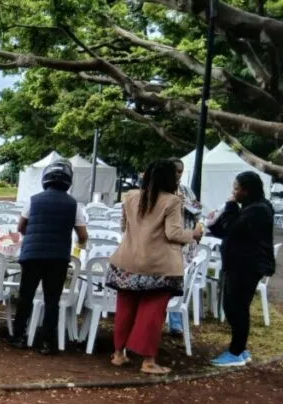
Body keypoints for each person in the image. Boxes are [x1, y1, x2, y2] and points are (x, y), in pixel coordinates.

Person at [109, 159, 203, 374]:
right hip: (159, 265)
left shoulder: (131, 196)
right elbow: (173, 233)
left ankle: (119, 354)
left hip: (126, 261)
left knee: (125, 308)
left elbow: (124, 226)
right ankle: (148, 361)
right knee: (152, 312)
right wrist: (194, 234)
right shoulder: (172, 201)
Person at [9, 159, 89, 354]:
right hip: (57, 258)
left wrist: (32, 237)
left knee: (26, 296)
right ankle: (47, 342)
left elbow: (21, 227)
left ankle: (18, 337)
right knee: (52, 300)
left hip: (32, 255)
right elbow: (82, 235)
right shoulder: (74, 205)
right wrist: (79, 245)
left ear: (45, 179)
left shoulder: (33, 200)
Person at [207, 171, 277, 366]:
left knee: (236, 307)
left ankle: (236, 351)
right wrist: (214, 222)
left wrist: (230, 206)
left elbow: (233, 229)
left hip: (247, 265)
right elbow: (226, 230)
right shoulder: (250, 207)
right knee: (233, 306)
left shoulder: (258, 210)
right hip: (239, 264)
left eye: (236, 189)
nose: (233, 192)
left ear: (246, 191)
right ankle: (240, 348)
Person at [168, 158, 202, 334]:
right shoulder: (162, 190)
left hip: (186, 240)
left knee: (180, 281)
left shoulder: (187, 190)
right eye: (174, 170)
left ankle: (175, 322)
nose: (177, 174)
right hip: (166, 241)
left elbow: (198, 210)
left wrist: (185, 203)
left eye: (180, 171)